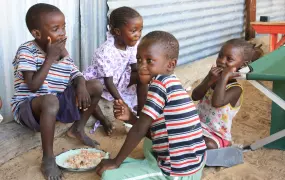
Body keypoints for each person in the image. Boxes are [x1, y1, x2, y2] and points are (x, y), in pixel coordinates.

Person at [95, 31, 206, 180]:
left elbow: (139, 129)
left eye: (149, 61)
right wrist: (130, 117)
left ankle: (150, 169)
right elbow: (150, 127)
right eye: (139, 60)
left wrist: (116, 162)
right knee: (148, 142)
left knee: (109, 176)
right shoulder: (170, 81)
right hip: (196, 162)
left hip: (177, 172)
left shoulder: (159, 85)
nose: (142, 66)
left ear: (170, 64)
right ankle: (146, 165)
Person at [11, 3, 103, 180]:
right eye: (55, 28)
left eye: (63, 27)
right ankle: (48, 158)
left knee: (96, 86)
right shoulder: (26, 51)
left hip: (55, 103)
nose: (62, 33)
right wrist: (50, 58)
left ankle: (78, 129)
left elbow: (75, 73)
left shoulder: (62, 51)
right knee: (51, 100)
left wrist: (81, 84)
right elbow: (33, 86)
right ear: (37, 34)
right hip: (29, 107)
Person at [83, 6, 147, 135]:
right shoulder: (106, 51)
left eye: (140, 30)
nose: (138, 35)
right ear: (118, 32)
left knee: (143, 76)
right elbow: (108, 82)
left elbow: (134, 66)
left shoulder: (131, 44)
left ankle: (141, 113)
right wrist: (122, 102)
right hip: (102, 83)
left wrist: (149, 72)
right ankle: (103, 120)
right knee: (87, 96)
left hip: (120, 78)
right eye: (134, 31)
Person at [191, 39, 262, 149]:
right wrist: (209, 80)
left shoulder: (236, 89)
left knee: (208, 145)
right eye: (220, 55)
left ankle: (225, 146)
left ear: (243, 64)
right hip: (197, 125)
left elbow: (217, 102)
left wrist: (224, 77)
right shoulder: (213, 76)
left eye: (229, 59)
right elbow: (195, 96)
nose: (221, 61)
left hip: (215, 135)